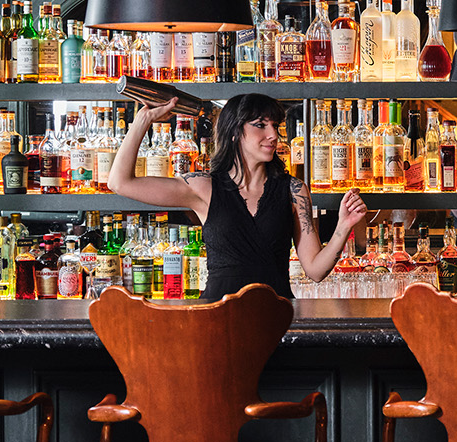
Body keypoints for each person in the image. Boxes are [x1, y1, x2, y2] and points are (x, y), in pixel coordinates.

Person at [108, 93, 367, 300]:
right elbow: (119, 182)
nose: (273, 135)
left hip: (275, 320)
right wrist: (143, 120)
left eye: (275, 126)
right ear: (234, 132)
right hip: (217, 319)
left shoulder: (293, 189)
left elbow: (315, 270)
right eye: (260, 125)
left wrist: (343, 226)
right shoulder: (203, 187)